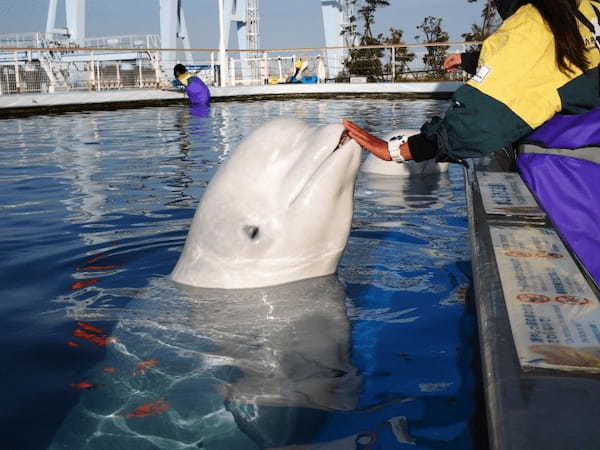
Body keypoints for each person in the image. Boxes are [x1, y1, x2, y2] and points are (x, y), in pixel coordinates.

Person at [344, 0, 600, 165]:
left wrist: (399, 150)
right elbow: (553, 67)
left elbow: (480, 124)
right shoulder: (586, 9)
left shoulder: (533, 25)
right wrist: (470, 60)